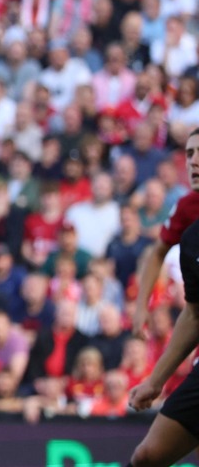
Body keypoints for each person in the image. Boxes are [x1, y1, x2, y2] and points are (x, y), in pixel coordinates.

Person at [127, 130, 199, 467]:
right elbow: (195, 314)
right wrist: (155, 381)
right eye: (189, 154)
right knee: (146, 457)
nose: (195, 162)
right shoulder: (192, 234)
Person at [133, 144, 199, 336]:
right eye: (189, 154)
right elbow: (157, 252)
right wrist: (141, 306)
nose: (193, 162)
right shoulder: (187, 206)